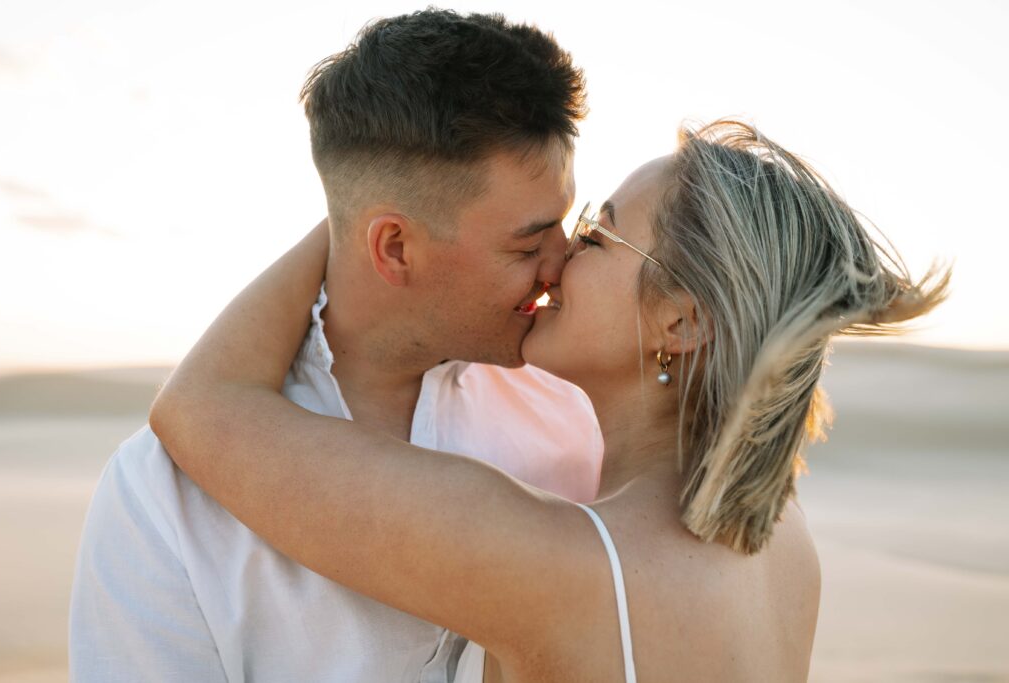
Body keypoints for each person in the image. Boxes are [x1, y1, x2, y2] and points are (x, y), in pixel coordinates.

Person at [149, 119, 952, 682]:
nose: (561, 255)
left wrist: (373, 207)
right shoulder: (782, 543)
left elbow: (199, 407)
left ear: (681, 318)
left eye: (600, 234)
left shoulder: (556, 564)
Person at [69, 10, 603, 682]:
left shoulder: (585, 414)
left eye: (565, 223)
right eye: (527, 244)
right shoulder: (164, 498)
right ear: (394, 246)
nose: (562, 264)